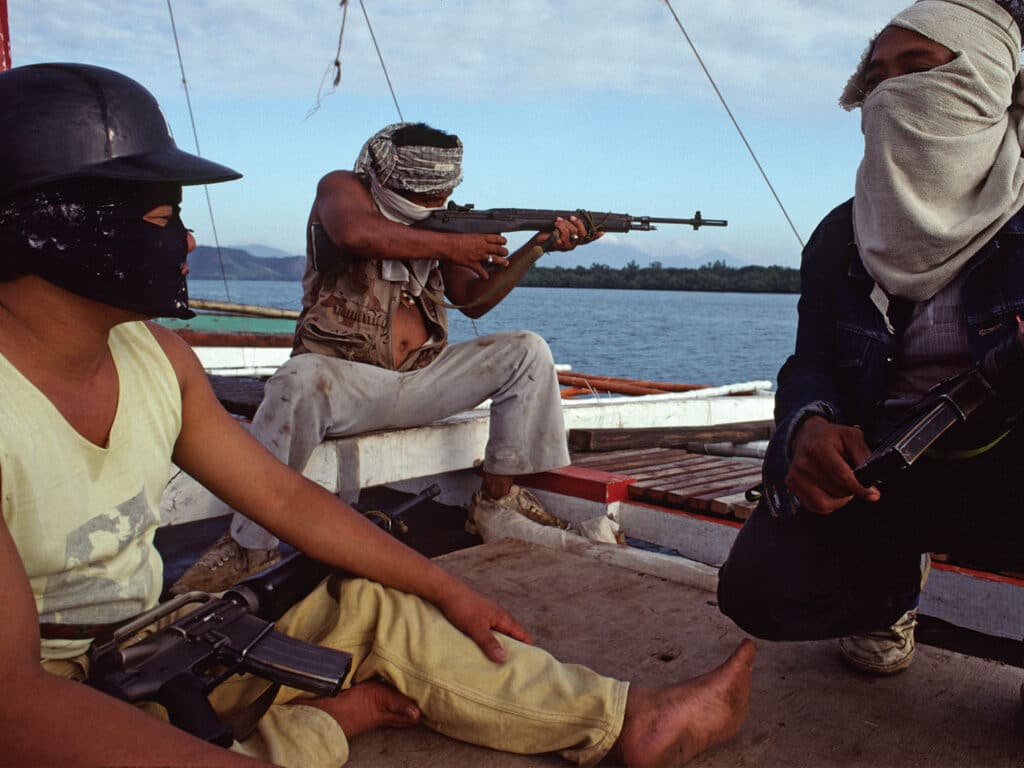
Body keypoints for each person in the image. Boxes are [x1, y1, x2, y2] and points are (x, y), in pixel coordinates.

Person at [0, 62, 756, 768]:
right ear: (54, 225)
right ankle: (318, 725)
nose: (188, 241)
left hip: (152, 635)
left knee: (380, 603)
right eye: (164, 217)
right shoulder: (347, 195)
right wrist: (447, 235)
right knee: (298, 385)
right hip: (57, 679)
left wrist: (441, 586)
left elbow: (289, 494)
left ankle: (626, 715)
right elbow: (17, 708)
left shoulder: (156, 358)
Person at [716, 0, 1024, 681]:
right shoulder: (841, 233)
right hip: (886, 467)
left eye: (919, 68)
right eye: (877, 78)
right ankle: (890, 593)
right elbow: (812, 362)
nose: (892, 94)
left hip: (1006, 465)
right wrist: (809, 426)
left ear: (992, 83)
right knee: (764, 594)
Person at [172, 120, 605, 594]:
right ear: (385, 176)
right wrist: (452, 244)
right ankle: (250, 546)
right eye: (423, 194)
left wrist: (536, 248)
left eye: (439, 194)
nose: (432, 204)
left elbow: (475, 300)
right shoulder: (341, 188)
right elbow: (355, 234)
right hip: (348, 383)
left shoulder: (442, 224)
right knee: (297, 380)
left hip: (423, 378)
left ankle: (495, 504)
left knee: (527, 351)